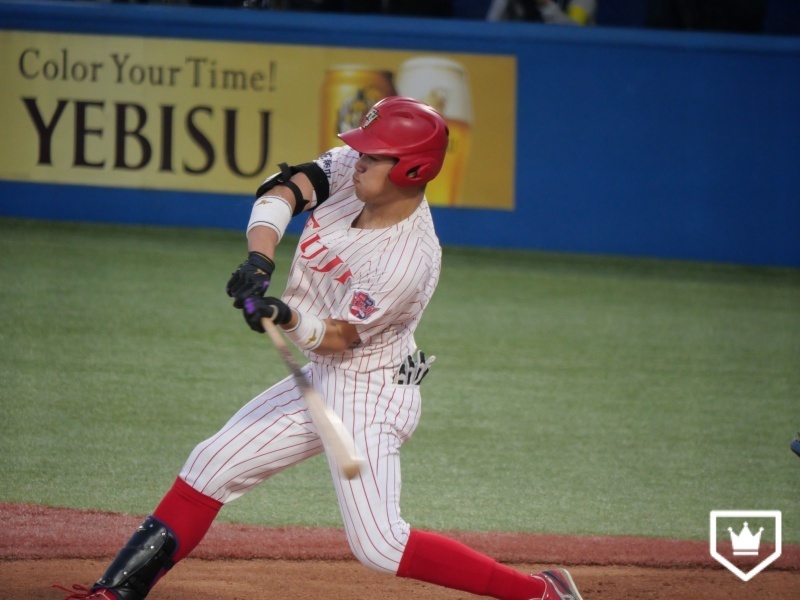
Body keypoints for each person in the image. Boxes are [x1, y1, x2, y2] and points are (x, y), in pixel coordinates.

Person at [54, 96, 584, 600]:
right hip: (329, 375)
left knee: (378, 545)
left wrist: (283, 314)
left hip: (372, 391)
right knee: (210, 463)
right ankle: (116, 590)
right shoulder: (358, 172)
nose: (358, 160)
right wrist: (260, 260)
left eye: (374, 155)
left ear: (413, 171)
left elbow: (337, 336)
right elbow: (284, 189)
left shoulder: (406, 261)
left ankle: (540, 591)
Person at [487, 0, 596, 26]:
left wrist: (544, 4)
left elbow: (575, 34)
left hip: (572, 64)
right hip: (524, 58)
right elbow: (491, 28)